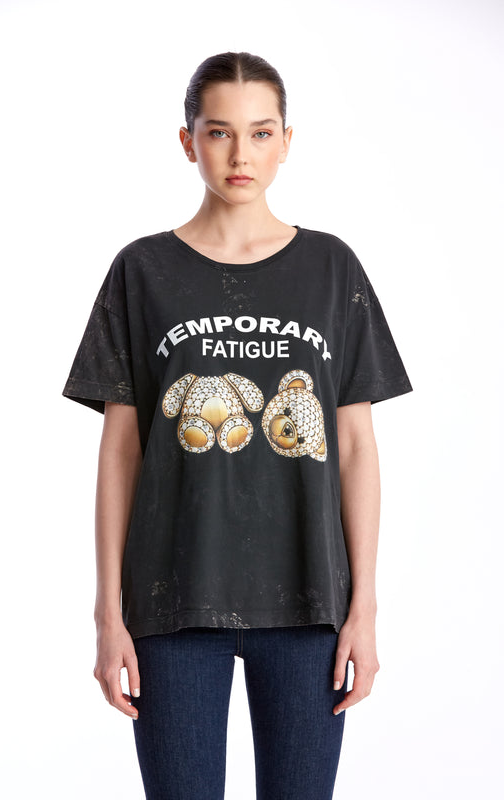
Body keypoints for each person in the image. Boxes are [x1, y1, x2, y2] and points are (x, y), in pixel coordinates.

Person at [62, 51, 412, 800]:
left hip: (310, 602)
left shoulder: (332, 269)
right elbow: (120, 453)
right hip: (171, 602)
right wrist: (106, 615)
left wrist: (365, 608)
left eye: (260, 133)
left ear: (286, 141)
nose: (240, 154)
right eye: (219, 132)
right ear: (187, 142)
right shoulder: (142, 271)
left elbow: (355, 447)